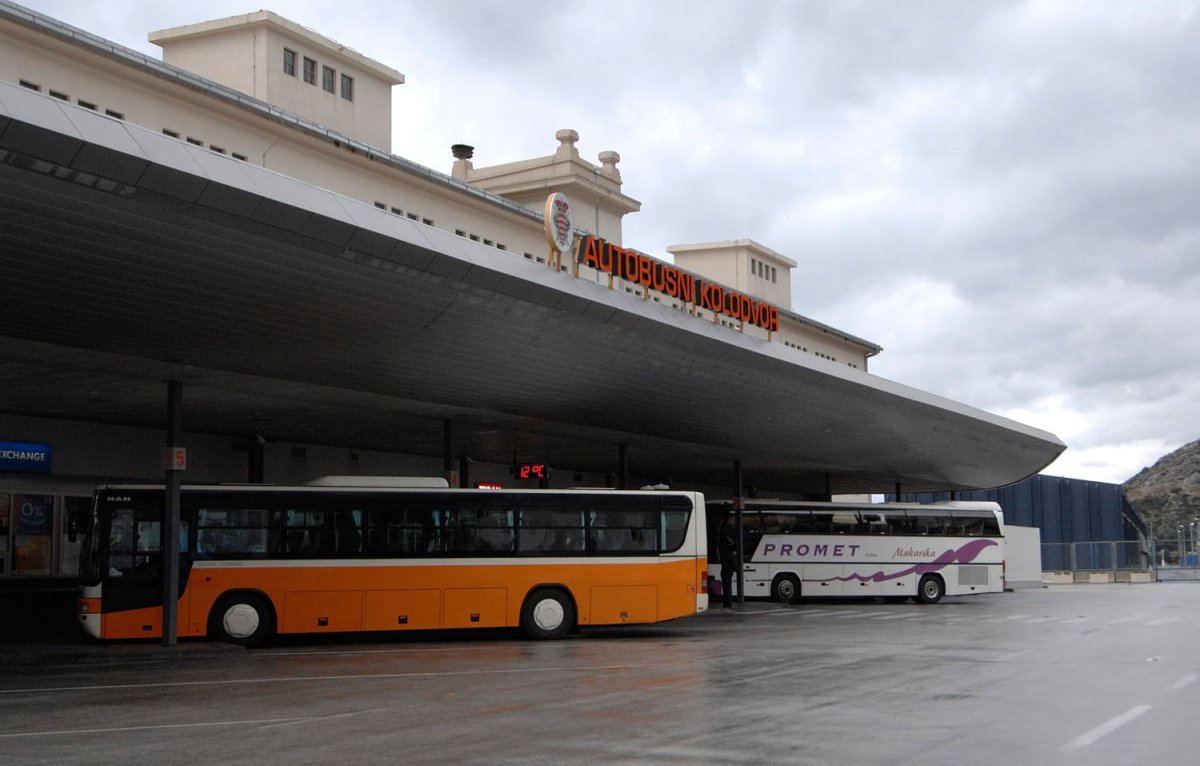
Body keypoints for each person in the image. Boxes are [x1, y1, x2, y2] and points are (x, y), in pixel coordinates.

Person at [719, 528, 737, 608]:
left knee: (726, 589)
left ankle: (726, 603)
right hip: (727, 574)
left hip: (724, 572)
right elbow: (734, 565)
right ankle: (728, 603)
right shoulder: (730, 557)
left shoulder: (724, 554)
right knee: (728, 589)